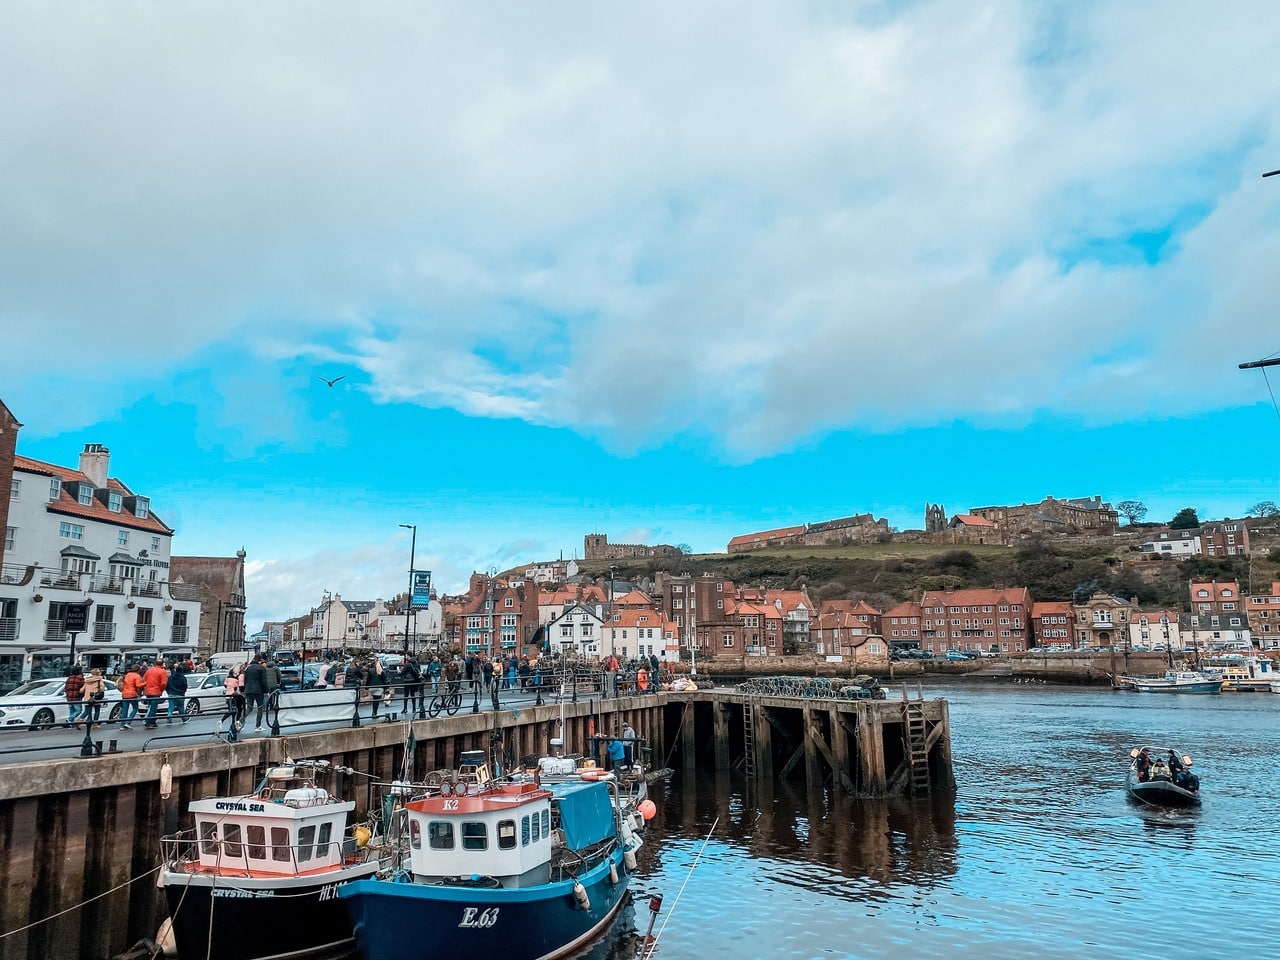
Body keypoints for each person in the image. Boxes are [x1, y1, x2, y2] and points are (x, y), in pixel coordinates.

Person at [142, 658, 169, 730]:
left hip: (148, 691)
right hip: (156, 691)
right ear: (162, 664)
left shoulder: (149, 670)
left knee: (150, 706)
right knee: (153, 708)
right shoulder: (162, 672)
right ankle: (149, 722)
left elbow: (144, 680)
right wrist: (161, 690)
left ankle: (152, 721)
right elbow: (163, 683)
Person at [243, 656, 268, 732]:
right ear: (260, 660)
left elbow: (245, 679)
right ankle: (258, 726)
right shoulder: (261, 668)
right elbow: (264, 681)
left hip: (249, 690)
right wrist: (266, 690)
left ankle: (240, 722)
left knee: (249, 708)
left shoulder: (248, 668)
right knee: (260, 708)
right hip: (258, 690)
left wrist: (245, 689)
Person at [119, 662, 144, 730]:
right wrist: (145, 683)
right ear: (138, 670)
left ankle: (123, 724)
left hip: (124, 693)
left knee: (125, 709)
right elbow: (138, 685)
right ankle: (128, 722)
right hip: (132, 694)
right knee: (135, 708)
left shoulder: (127, 675)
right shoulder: (137, 676)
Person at [65, 665, 85, 729]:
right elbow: (82, 688)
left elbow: (66, 688)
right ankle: (70, 719)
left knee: (71, 710)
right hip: (76, 697)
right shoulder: (80, 679)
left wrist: (67, 694)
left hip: (69, 697)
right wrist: (81, 695)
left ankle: (71, 724)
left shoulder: (69, 678)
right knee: (79, 710)